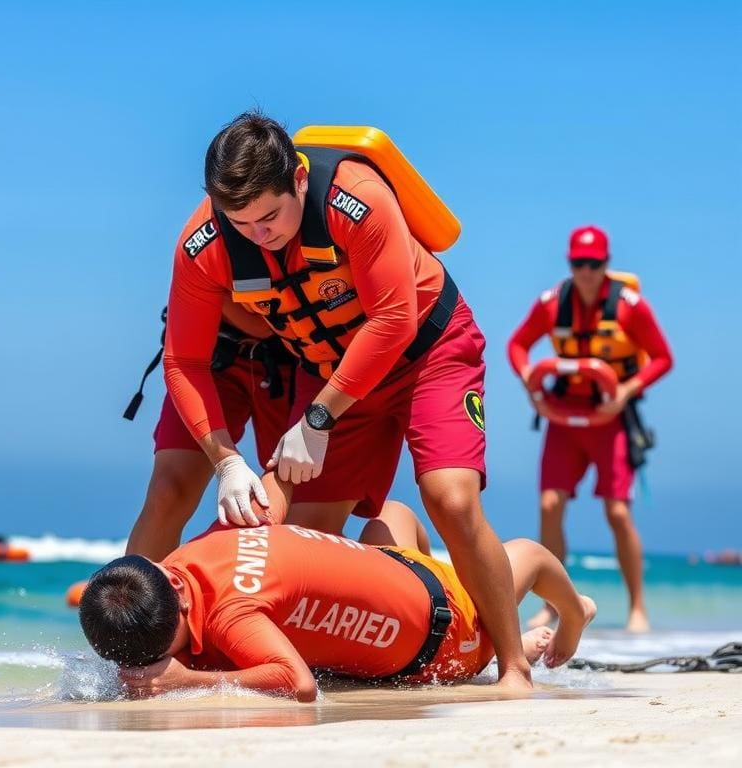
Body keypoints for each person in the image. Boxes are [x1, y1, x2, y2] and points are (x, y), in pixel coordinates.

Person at [162, 111, 531, 689]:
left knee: (451, 499)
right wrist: (227, 461)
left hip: (428, 352)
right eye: (241, 221)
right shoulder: (202, 243)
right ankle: (332, 656)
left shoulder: (355, 197)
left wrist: (317, 417)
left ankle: (514, 665)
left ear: (299, 182)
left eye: (270, 216)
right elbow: (183, 360)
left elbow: (393, 318)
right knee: (304, 531)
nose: (258, 234)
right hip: (329, 371)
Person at [79, 498, 596, 702]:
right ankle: (509, 629)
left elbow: (298, 683)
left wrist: (189, 679)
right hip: (398, 567)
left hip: (442, 640)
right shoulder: (187, 556)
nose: (164, 662)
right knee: (389, 513)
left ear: (177, 593)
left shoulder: (232, 614)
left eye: (166, 649)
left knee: (521, 557)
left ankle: (568, 614)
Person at [507, 225, 673, 632]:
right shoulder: (551, 304)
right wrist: (531, 384)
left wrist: (626, 391)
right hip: (563, 416)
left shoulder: (631, 307)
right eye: (579, 263)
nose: (586, 271)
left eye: (594, 264)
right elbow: (517, 344)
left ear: (606, 265)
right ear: (569, 264)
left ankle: (637, 607)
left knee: (617, 512)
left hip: (610, 418)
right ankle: (551, 603)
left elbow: (662, 357)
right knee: (549, 505)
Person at [126, 299, 295, 559]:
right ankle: (129, 598)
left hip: (302, 363)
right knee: (167, 492)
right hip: (216, 353)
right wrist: (227, 463)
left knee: (295, 507)